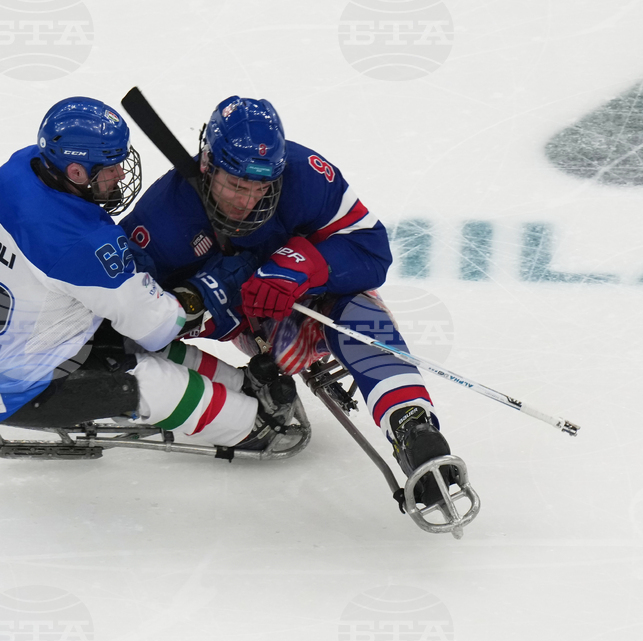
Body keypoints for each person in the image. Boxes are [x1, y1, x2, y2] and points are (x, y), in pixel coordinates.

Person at [120, 95, 460, 505]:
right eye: (236, 186)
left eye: (261, 187)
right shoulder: (163, 217)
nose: (247, 202)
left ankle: (413, 426)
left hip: (305, 297)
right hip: (239, 319)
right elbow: (130, 311)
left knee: (358, 312)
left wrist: (299, 265)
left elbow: (372, 251)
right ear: (207, 163)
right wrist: (201, 298)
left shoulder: (306, 175)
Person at [0, 96, 298, 450]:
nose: (120, 173)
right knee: (148, 376)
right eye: (109, 166)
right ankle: (250, 427)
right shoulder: (83, 243)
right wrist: (210, 287)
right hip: (17, 390)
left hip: (5, 353)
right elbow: (158, 328)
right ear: (76, 172)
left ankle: (237, 387)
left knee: (120, 335)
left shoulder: (16, 171)